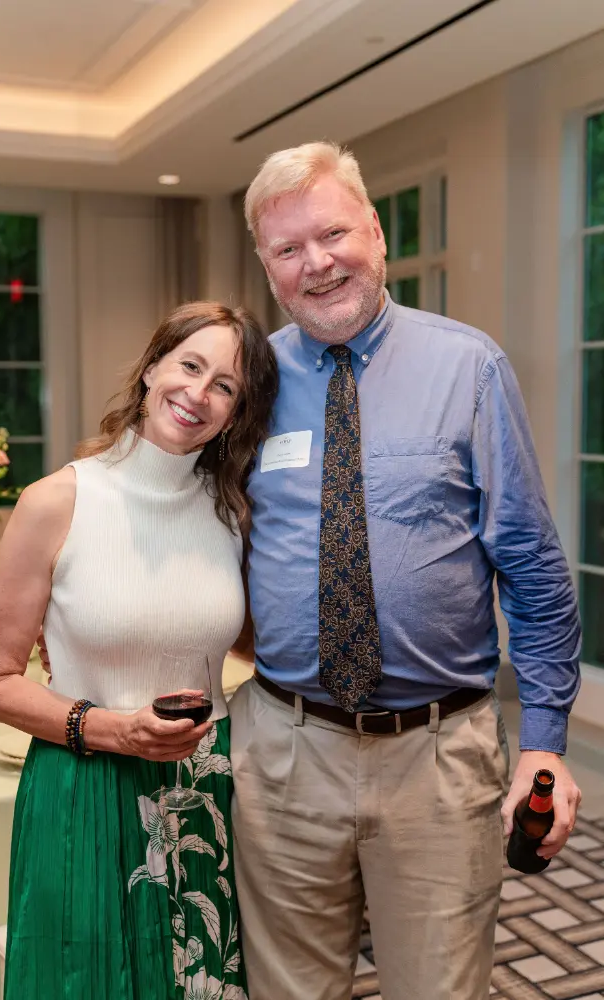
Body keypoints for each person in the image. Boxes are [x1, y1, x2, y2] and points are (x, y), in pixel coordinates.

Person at [228, 142, 583, 1000]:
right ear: (267, 268)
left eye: (332, 234)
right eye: (287, 249)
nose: (317, 263)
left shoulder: (469, 366)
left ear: (375, 234)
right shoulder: (249, 380)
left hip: (436, 754)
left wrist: (544, 743)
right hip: (283, 751)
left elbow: (532, 566)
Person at [0, 301, 278, 1000]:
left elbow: (261, 645)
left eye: (224, 385)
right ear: (151, 370)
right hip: (84, 786)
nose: (198, 394)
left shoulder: (233, 513)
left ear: (236, 412)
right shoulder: (56, 503)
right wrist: (113, 729)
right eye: (189, 366)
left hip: (204, 794)